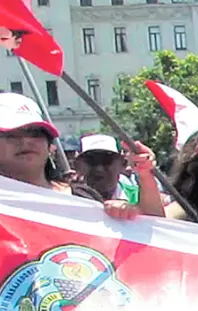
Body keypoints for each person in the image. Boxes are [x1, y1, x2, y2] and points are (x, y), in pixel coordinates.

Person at [0, 92, 148, 221]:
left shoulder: (84, 198)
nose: (26, 141)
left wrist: (125, 215)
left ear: (49, 145)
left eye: (35, 133)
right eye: (11, 135)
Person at [74, 134, 165, 217]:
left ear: (123, 164)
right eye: (91, 160)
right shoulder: (69, 198)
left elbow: (155, 222)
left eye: (107, 160)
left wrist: (145, 172)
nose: (99, 169)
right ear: (77, 166)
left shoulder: (137, 196)